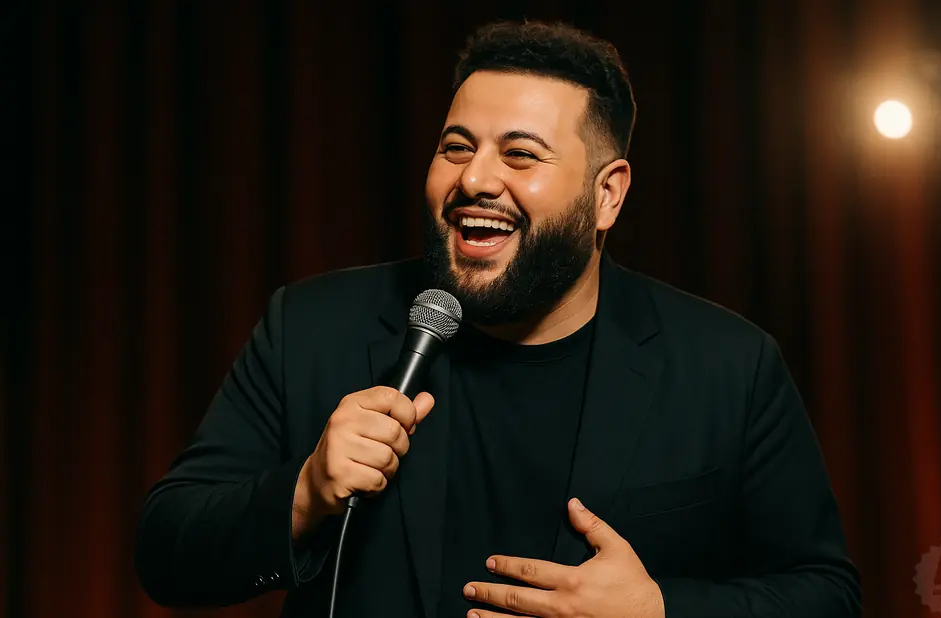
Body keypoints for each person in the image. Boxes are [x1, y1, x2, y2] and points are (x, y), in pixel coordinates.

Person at [135, 20, 862, 618]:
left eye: (520, 154)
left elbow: (826, 595)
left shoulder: (728, 364)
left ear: (607, 195)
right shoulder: (311, 327)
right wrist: (304, 495)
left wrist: (658, 612)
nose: (475, 179)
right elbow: (167, 554)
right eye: (457, 147)